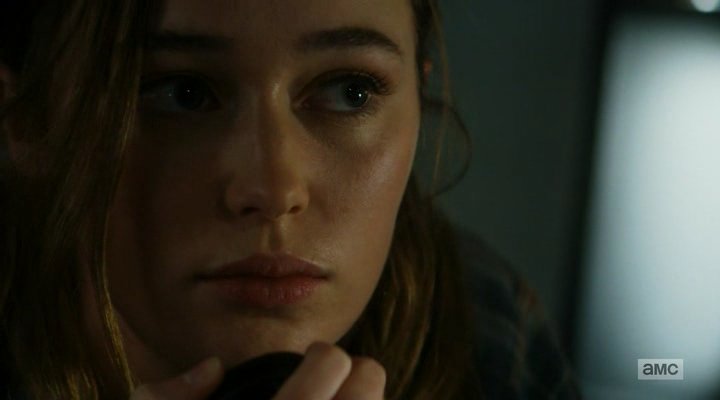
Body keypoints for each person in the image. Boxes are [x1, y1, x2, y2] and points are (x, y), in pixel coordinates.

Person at [0, 0, 580, 399]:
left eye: (351, 92)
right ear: (27, 119)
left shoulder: (480, 327)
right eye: (182, 93)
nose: (275, 191)